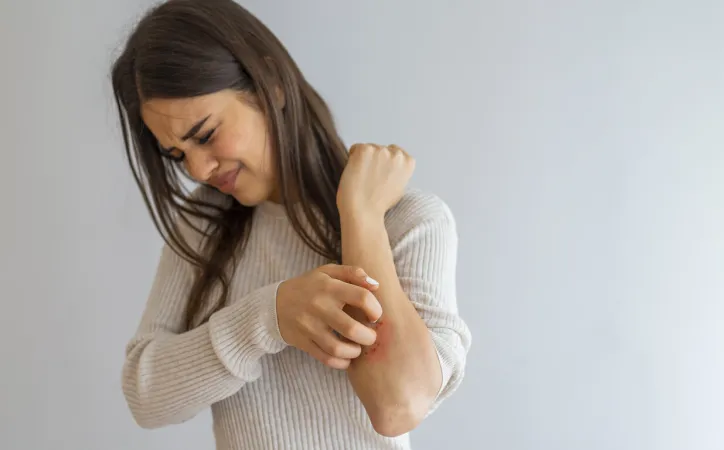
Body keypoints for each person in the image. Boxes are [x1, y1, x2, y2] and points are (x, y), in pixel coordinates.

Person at [111, 1, 471, 449]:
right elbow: (146, 397)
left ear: (272, 86)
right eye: (177, 154)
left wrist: (360, 217)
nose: (198, 170)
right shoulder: (204, 229)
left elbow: (396, 406)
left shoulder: (407, 221)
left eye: (205, 135)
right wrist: (269, 316)